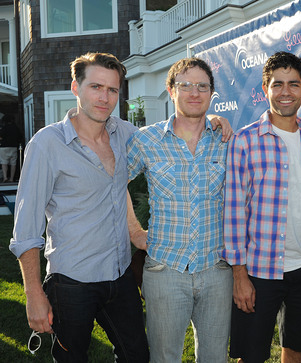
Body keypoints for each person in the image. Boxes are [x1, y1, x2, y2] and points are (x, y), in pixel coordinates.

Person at [9, 52, 149, 362]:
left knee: (137, 356)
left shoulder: (124, 134)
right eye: (96, 87)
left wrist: (210, 120)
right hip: (72, 283)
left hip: (120, 275)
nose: (105, 97)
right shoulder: (47, 144)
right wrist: (33, 294)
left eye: (113, 90)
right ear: (76, 87)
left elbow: (120, 183)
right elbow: (26, 229)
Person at [126, 57, 233, 362]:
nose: (194, 93)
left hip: (216, 269)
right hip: (165, 270)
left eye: (202, 86)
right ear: (171, 90)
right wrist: (135, 230)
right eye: (185, 85)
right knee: (164, 357)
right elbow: (114, 182)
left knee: (214, 358)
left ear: (211, 93)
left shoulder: (225, 140)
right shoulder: (146, 140)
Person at [223, 51, 301, 363]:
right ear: (265, 88)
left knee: (296, 349)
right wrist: (239, 276)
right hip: (258, 270)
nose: (285, 92)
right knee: (251, 355)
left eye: (293, 84)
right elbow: (233, 212)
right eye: (277, 84)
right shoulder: (244, 141)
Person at [0, 114, 22, 182]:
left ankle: (5, 177)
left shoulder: (4, 128)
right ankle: (12, 178)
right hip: (13, 147)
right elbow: (20, 137)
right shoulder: (16, 128)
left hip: (4, 147)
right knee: (13, 163)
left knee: (4, 162)